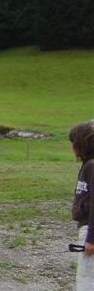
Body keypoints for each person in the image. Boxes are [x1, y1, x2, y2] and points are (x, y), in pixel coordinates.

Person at [70, 120, 94, 290]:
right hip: (85, 228)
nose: (72, 147)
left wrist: (91, 238)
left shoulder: (92, 166)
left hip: (89, 229)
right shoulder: (87, 165)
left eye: (74, 142)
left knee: (86, 280)